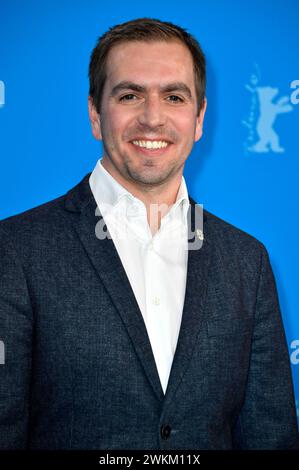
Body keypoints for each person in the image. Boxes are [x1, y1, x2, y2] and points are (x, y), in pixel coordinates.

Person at [0, 17, 298, 450]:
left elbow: (270, 437)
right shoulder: (15, 250)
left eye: (174, 96)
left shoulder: (246, 261)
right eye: (129, 95)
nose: (152, 118)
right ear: (95, 115)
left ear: (199, 119)